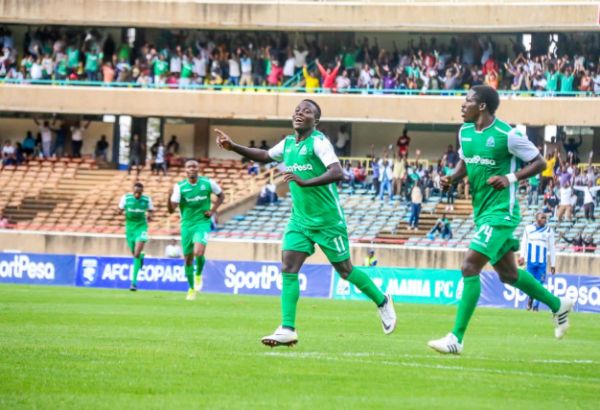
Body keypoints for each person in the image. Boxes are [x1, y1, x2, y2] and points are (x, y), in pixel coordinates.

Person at [215, 99, 396, 347]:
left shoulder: (319, 142)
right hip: (299, 220)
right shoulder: (289, 143)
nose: (300, 113)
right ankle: (287, 328)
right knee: (288, 266)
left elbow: (337, 172)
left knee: (345, 271)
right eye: (298, 110)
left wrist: (303, 182)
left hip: (328, 220)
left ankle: (382, 300)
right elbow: (265, 156)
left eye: (307, 111)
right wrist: (233, 146)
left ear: (316, 121)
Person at [427, 85, 574, 355]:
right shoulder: (465, 132)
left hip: (502, 213)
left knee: (470, 266)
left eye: (468, 101)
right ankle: (558, 304)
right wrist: (451, 177)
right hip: (482, 212)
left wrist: (509, 178)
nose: (462, 105)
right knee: (509, 274)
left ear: (482, 106)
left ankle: (456, 338)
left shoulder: (508, 135)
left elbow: (540, 163)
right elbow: (465, 162)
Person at [168, 160, 224, 301]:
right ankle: (191, 288)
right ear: (185, 170)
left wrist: (212, 211)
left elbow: (221, 195)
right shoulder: (180, 187)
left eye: (194, 166)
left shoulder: (208, 183)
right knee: (187, 259)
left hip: (202, 223)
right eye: (189, 167)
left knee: (198, 252)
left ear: (198, 169)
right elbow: (171, 210)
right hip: (186, 225)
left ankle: (198, 274)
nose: (192, 169)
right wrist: (168, 199)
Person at [118, 182, 154, 291]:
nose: (137, 195)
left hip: (141, 228)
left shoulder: (147, 200)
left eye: (139, 193)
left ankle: (133, 283)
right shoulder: (126, 198)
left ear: (142, 192)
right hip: (130, 229)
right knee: (135, 254)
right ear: (133, 191)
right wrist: (120, 211)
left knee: (136, 253)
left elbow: (151, 210)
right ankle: (141, 258)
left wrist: (150, 216)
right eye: (135, 192)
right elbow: (119, 209)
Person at [518, 212, 556, 311]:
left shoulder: (549, 231)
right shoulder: (528, 229)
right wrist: (522, 256)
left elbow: (552, 247)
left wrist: (553, 264)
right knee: (530, 284)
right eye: (543, 218)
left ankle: (536, 306)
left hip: (542, 263)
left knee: (540, 285)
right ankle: (530, 298)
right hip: (530, 262)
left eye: (545, 218)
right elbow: (524, 243)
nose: (545, 219)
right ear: (537, 219)